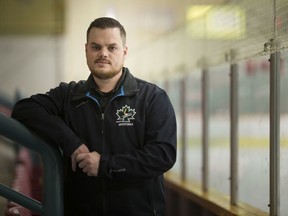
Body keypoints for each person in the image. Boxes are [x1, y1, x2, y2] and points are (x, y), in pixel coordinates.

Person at [11, 17, 177, 216]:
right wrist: (69, 141)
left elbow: (163, 155)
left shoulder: (152, 98)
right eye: (96, 47)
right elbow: (24, 109)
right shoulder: (69, 95)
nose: (103, 54)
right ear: (86, 50)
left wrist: (105, 165)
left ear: (124, 52)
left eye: (112, 48)